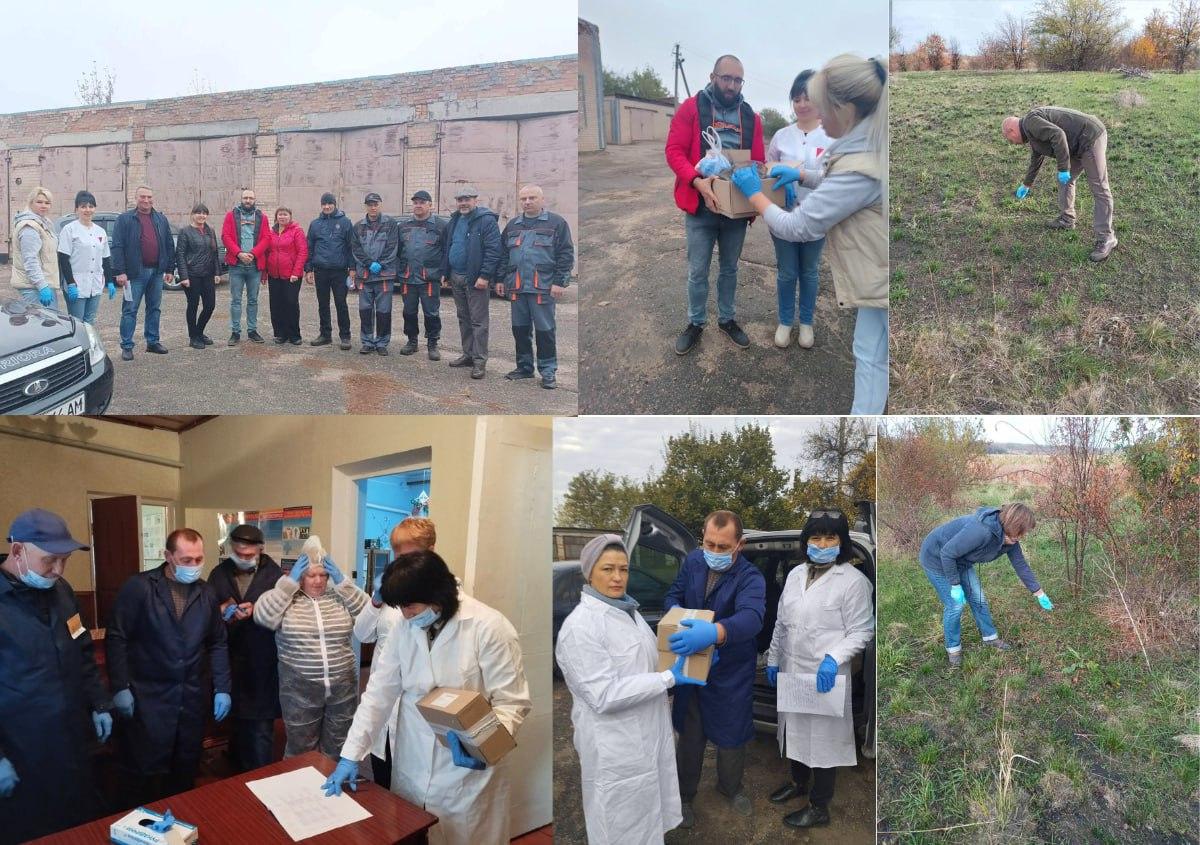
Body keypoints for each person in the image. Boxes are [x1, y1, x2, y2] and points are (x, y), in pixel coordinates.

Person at [323, 549, 531, 845]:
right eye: (401, 608)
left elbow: (512, 703)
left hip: (466, 772)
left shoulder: (490, 627)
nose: (406, 615)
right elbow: (379, 693)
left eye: (410, 606)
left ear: (439, 594)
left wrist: (480, 745)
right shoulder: (404, 627)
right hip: (412, 761)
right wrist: (350, 754)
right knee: (413, 833)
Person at [733, 54, 888, 414]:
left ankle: (864, 417)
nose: (810, 108)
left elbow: (797, 226)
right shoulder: (865, 147)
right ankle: (789, 322)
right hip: (877, 279)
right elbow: (840, 180)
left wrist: (752, 192)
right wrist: (802, 176)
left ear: (843, 109)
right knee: (868, 351)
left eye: (818, 102)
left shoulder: (861, 162)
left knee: (871, 357)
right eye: (803, 99)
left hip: (877, 278)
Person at [556, 534, 704, 844]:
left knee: (648, 818)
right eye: (608, 569)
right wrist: (666, 679)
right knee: (620, 823)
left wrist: (674, 664)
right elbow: (603, 695)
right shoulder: (580, 627)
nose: (617, 577)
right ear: (589, 572)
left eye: (623, 569)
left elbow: (643, 665)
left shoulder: (628, 612)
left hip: (646, 733)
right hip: (615, 746)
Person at [0, 509, 113, 843]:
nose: (58, 570)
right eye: (50, 560)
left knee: (75, 820)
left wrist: (100, 702)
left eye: (64, 560)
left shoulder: (62, 593)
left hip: (72, 736)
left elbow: (82, 651)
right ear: (18, 551)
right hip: (21, 745)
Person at [764, 509, 874, 829]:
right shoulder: (796, 574)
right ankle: (798, 784)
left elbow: (862, 630)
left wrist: (833, 658)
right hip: (793, 670)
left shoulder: (854, 582)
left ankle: (819, 805)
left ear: (841, 543)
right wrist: (773, 659)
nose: (822, 543)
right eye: (815, 537)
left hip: (826, 675)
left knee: (823, 742)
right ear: (806, 541)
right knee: (795, 732)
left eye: (830, 537)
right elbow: (782, 623)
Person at [106, 528, 231, 805]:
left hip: (191, 697)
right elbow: (117, 637)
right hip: (147, 696)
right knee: (142, 772)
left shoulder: (206, 593)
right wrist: (119, 686)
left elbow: (217, 643)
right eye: (186, 560)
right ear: (168, 556)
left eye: (199, 559)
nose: (194, 566)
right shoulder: (139, 587)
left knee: (184, 770)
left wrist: (223, 687)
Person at [664, 510, 766, 828]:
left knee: (731, 736)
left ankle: (731, 788)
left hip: (730, 671)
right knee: (691, 737)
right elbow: (673, 595)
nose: (715, 552)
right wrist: (675, 620)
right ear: (703, 538)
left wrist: (714, 633)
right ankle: (684, 797)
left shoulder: (751, 577)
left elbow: (752, 618)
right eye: (710, 544)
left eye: (724, 547)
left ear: (739, 544)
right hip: (692, 669)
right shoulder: (694, 562)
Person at [665, 55, 765, 355]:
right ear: (713, 76)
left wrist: (758, 197)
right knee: (697, 271)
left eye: (737, 80)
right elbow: (674, 151)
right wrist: (697, 180)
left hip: (735, 211)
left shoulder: (751, 117)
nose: (732, 85)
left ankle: (727, 319)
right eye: (726, 78)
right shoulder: (692, 108)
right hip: (700, 207)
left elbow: (757, 160)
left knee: (730, 269)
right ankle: (696, 323)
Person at [252, 551, 368, 757]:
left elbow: (370, 617)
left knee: (340, 745)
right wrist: (288, 583)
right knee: (301, 749)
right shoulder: (286, 599)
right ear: (300, 576)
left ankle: (334, 783)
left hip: (343, 690)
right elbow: (263, 617)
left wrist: (344, 583)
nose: (318, 580)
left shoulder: (339, 597)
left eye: (323, 575)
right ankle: (301, 789)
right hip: (299, 692)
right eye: (310, 575)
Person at [352, 517, 437, 789]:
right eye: (397, 553)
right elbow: (362, 634)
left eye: (408, 554)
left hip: (417, 705)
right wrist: (376, 599)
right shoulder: (391, 588)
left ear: (430, 551)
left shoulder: (439, 595)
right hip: (384, 697)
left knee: (414, 790)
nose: (401, 560)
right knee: (384, 777)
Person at [919, 503, 1052, 668]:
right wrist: (955, 584)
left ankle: (990, 638)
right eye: (1022, 531)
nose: (1023, 535)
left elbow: (1021, 565)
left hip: (961, 561)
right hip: (936, 558)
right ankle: (953, 649)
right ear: (1013, 525)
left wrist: (1039, 593)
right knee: (955, 605)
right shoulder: (982, 531)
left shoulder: (1011, 540)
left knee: (978, 598)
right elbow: (947, 553)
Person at [205, 524, 283, 771]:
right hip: (229, 657)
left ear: (260, 549)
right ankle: (236, 774)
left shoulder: (275, 576)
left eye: (249, 555)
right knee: (235, 724)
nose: (243, 559)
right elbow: (207, 610)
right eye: (238, 553)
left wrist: (257, 609)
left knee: (260, 729)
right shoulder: (219, 573)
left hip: (263, 659)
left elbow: (284, 612)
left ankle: (260, 777)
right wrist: (220, 613)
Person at [766, 71, 831, 350]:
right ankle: (785, 321)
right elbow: (767, 168)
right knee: (786, 272)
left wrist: (801, 175)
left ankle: (806, 323)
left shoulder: (831, 135)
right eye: (797, 98)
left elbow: (834, 177)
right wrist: (775, 175)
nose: (802, 104)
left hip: (817, 218)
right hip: (784, 217)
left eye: (808, 98)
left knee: (810, 272)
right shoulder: (781, 135)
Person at [1002, 107, 1116, 262]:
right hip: (1076, 144)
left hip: (1090, 137)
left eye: (1010, 140)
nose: (1013, 144)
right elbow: (1037, 157)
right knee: (1066, 181)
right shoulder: (1031, 132)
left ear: (1011, 130)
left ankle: (1107, 237)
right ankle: (1067, 219)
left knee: (1100, 188)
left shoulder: (1030, 122)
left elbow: (1058, 134)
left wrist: (1063, 168)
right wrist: (1027, 184)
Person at [495, 185, 575, 390]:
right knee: (520, 330)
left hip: (543, 287)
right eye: (523, 199)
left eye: (532, 198)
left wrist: (559, 281)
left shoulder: (556, 223)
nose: (527, 202)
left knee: (545, 331)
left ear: (542, 199)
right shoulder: (513, 225)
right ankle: (524, 368)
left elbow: (565, 253)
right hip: (517, 287)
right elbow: (503, 255)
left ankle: (548, 372)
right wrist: (500, 280)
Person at [440, 185, 501, 380]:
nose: (463, 203)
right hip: (456, 277)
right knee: (463, 318)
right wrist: (445, 273)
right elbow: (447, 246)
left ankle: (479, 361)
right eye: (460, 199)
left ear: (475, 200)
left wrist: (485, 276)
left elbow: (493, 250)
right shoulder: (455, 220)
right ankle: (467, 354)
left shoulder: (486, 221)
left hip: (476, 280)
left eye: (467, 199)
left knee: (479, 322)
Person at [111, 185, 176, 361]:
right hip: (134, 274)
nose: (146, 200)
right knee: (130, 310)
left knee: (154, 308)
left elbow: (169, 244)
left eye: (149, 197)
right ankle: (127, 345)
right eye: (142, 197)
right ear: (136, 198)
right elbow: (117, 246)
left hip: (156, 273)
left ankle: (152, 342)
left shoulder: (160, 219)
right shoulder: (124, 219)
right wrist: (120, 271)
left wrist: (170, 268)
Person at [349, 192, 401, 356]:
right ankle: (367, 341)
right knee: (365, 310)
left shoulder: (390, 224)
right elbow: (356, 249)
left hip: (384, 275)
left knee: (384, 311)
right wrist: (369, 263)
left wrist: (381, 263)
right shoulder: (358, 226)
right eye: (369, 204)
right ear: (365, 206)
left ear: (380, 204)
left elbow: (393, 247)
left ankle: (382, 342)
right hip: (365, 275)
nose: (373, 207)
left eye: (375, 204)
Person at [397, 190, 447, 360]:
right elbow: (397, 252)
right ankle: (412, 341)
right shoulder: (403, 226)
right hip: (408, 277)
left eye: (422, 202)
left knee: (431, 313)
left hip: (429, 278)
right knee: (409, 312)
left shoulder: (440, 226)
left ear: (430, 205)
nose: (418, 205)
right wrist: (399, 270)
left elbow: (447, 251)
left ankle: (432, 343)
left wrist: (444, 273)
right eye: (415, 202)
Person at [56, 191, 116, 325]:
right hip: (76, 283)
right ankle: (79, 346)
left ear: (95, 208)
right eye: (83, 206)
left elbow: (105, 258)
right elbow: (63, 259)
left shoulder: (100, 231)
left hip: (95, 283)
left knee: (89, 321)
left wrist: (110, 281)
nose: (87, 210)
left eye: (91, 206)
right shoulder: (69, 229)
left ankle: (90, 346)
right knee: (77, 322)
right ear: (76, 209)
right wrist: (71, 283)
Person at [305, 192, 355, 350]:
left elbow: (351, 247)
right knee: (323, 304)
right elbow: (310, 248)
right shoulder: (315, 224)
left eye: (329, 204)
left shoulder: (346, 222)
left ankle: (345, 336)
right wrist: (309, 269)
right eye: (324, 204)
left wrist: (352, 268)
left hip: (340, 271)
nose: (327, 207)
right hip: (320, 271)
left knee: (341, 303)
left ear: (335, 204)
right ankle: (325, 335)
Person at [221, 188, 270, 345]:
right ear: (241, 199)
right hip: (237, 265)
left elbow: (266, 238)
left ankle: (252, 330)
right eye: (245, 198)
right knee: (236, 300)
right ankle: (235, 332)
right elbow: (225, 236)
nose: (248, 200)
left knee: (253, 300)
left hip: (254, 266)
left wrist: (254, 254)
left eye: (250, 198)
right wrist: (239, 253)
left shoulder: (262, 217)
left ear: (255, 200)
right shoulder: (231, 215)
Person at [174, 202, 221, 349]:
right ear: (192, 215)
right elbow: (180, 255)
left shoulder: (210, 231)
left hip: (208, 274)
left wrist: (217, 272)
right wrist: (184, 276)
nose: (202, 215)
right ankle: (193, 337)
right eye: (198, 213)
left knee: (210, 306)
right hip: (192, 275)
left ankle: (199, 331)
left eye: (204, 213)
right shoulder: (185, 232)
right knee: (193, 306)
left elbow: (215, 253)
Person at [10, 187, 61, 311]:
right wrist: (42, 286)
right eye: (39, 202)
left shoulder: (43, 223)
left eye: (47, 203)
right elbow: (30, 260)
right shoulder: (30, 227)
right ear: (31, 202)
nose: (44, 205)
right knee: (39, 325)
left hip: (43, 284)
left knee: (48, 324)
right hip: (34, 287)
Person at [265, 207, 309, 346]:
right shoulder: (271, 232)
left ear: (290, 216)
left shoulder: (297, 231)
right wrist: (264, 273)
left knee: (290, 303)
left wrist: (296, 272)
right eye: (280, 215)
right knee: (276, 304)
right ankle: (280, 334)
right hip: (274, 274)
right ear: (276, 217)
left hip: (291, 275)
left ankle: (294, 334)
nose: (282, 217)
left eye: (285, 215)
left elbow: (302, 252)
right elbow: (267, 252)